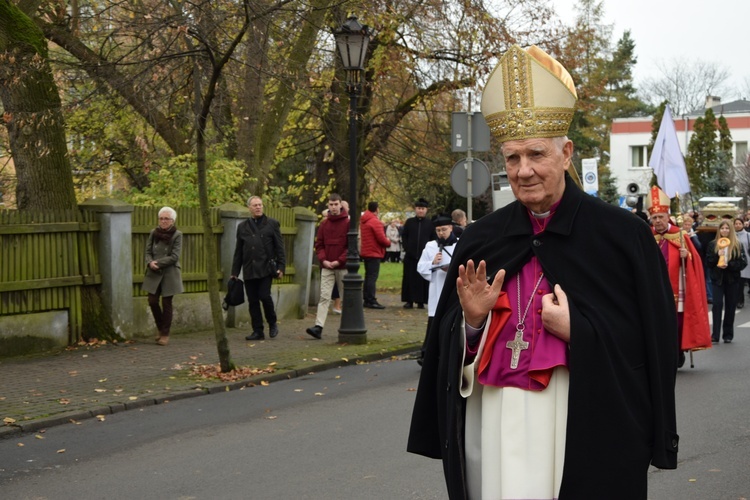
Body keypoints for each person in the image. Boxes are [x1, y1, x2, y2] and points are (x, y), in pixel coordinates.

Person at [407, 45, 678, 499]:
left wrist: (582, 332)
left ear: (566, 152)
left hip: (579, 414)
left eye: (536, 154)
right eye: (512, 159)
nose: (524, 170)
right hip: (491, 418)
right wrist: (471, 323)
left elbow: (656, 341)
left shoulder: (621, 236)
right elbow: (444, 350)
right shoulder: (480, 239)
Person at [647, 187, 712, 367]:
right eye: (655, 218)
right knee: (659, 323)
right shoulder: (648, 237)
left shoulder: (680, 235)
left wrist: (687, 256)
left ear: (668, 217)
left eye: (661, 217)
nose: (658, 221)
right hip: (656, 289)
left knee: (677, 323)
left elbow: (696, 261)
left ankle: (678, 351)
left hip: (678, 288)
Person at [231, 196, 286, 341]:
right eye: (255, 205)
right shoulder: (242, 227)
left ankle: (272, 323)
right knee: (253, 300)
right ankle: (257, 330)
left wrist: (281, 267)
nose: (258, 207)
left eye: (260, 205)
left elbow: (280, 248)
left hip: (266, 268)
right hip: (249, 268)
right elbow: (238, 251)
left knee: (264, 296)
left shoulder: (272, 224)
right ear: (249, 207)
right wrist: (235, 272)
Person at [416, 215, 458, 365]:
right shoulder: (431, 246)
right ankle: (427, 355)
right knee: (434, 324)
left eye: (444, 230)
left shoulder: (459, 244)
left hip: (454, 290)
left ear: (451, 228)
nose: (441, 233)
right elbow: (420, 266)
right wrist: (433, 263)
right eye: (438, 230)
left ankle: (449, 354)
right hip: (436, 290)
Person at [306, 194, 348, 340]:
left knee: (345, 297)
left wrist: (339, 260)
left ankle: (347, 327)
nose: (334, 207)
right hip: (327, 266)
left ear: (341, 205)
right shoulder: (324, 224)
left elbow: (351, 247)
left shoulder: (348, 223)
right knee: (324, 297)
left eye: (336, 204)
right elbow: (319, 244)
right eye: (331, 204)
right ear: (328, 206)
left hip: (342, 266)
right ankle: (318, 327)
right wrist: (323, 260)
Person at [143, 207, 184, 346]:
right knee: (152, 301)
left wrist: (158, 263)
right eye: (161, 218)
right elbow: (147, 251)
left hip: (170, 273)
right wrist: (150, 262)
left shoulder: (177, 235)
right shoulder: (153, 233)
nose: (163, 221)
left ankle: (165, 334)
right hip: (153, 272)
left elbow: (174, 256)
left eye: (167, 218)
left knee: (167, 303)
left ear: (172, 220)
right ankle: (160, 328)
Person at [706, 219, 747, 343]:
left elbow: (743, 262)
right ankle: (715, 334)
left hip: (732, 280)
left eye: (727, 228)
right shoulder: (713, 244)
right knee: (717, 305)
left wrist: (729, 264)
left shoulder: (737, 245)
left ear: (731, 229)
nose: (725, 230)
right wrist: (717, 256)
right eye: (722, 228)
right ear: (719, 230)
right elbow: (708, 262)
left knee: (730, 306)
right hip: (717, 279)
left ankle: (728, 334)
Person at [401, 198, 434, 309]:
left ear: (426, 210)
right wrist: (407, 248)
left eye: (423, 209)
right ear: (415, 209)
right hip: (410, 255)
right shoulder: (409, 222)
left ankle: (421, 301)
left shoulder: (430, 224)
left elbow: (433, 239)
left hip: (424, 256)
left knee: (422, 279)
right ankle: (409, 300)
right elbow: (404, 236)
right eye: (419, 208)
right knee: (409, 278)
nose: (420, 211)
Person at [359, 201, 391, 309]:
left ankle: (366, 298)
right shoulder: (375, 221)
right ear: (377, 209)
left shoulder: (364, 220)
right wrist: (388, 241)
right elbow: (381, 239)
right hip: (374, 252)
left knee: (368, 276)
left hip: (366, 251)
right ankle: (371, 300)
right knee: (372, 277)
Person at [733, 217, 750, 308]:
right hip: (738, 263)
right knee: (739, 284)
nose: (738, 225)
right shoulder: (731, 236)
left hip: (749, 262)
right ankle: (740, 301)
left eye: (740, 223)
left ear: (743, 224)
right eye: (736, 223)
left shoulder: (748, 235)